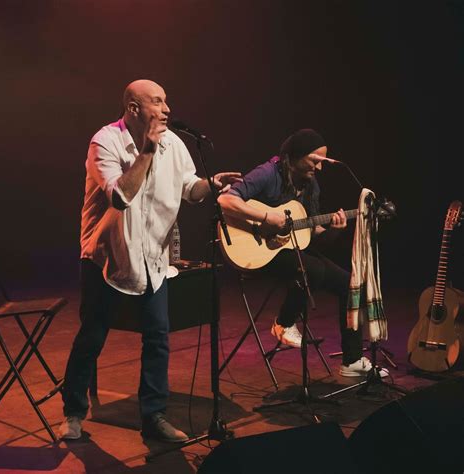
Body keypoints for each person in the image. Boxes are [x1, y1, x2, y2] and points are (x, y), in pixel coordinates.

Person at [58, 79, 241, 442]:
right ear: (134, 109)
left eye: (167, 100)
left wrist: (212, 183)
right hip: (107, 256)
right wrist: (146, 151)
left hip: (153, 259)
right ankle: (73, 412)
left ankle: (153, 416)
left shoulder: (174, 144)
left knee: (157, 337)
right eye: (157, 101)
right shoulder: (105, 142)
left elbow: (190, 188)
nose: (167, 108)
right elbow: (121, 197)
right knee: (92, 336)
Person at [218, 128, 380, 377]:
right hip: (256, 251)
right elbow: (226, 201)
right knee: (310, 269)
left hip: (289, 251)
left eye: (322, 162)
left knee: (349, 284)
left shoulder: (310, 186)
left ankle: (353, 360)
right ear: (294, 156)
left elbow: (312, 236)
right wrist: (266, 216)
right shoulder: (267, 173)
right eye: (315, 161)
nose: (319, 168)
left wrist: (334, 231)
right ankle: (283, 322)